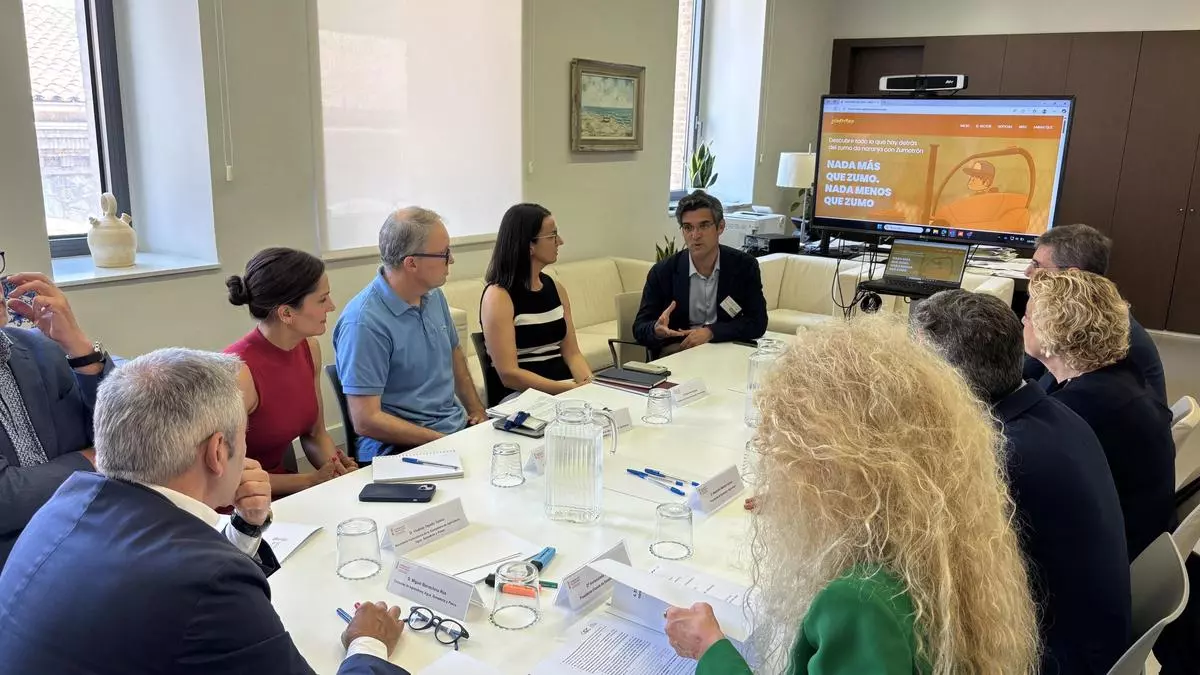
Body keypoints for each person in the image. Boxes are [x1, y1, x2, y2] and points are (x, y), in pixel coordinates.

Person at [664, 317, 1038, 674]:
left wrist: (709, 649)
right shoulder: (944, 544)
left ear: (831, 465)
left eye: (786, 454)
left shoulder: (859, 602)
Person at [0, 348, 409, 674]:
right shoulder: (210, 582)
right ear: (217, 452)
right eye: (243, 439)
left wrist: (245, 527)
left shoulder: (62, 507)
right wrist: (367, 644)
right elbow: (192, 584)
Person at [912, 289, 1131, 674]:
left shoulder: (1002, 457)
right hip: (1091, 639)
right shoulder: (1053, 414)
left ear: (950, 381)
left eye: (917, 368)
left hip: (1053, 659)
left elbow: (931, 566)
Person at [1025, 269, 1175, 560]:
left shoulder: (1078, 411)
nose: (1022, 322)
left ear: (1053, 333)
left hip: (1108, 557)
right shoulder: (1121, 378)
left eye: (1028, 317)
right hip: (1134, 538)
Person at [334, 207, 487, 460]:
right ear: (411, 263)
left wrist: (477, 410)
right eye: (444, 253)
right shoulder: (363, 324)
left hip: (450, 430)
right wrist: (444, 442)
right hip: (398, 447)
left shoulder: (433, 295)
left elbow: (454, 355)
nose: (451, 260)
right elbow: (366, 420)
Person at [0, 267, 113, 568]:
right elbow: (5, 499)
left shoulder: (41, 346)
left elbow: (131, 435)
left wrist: (80, 348)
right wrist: (93, 460)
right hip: (16, 566)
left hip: (99, 537)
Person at [225, 247, 357, 496]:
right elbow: (226, 476)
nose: (331, 306)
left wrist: (337, 469)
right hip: (239, 502)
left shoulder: (309, 348)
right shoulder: (238, 374)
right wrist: (310, 481)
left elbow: (315, 434)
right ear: (286, 313)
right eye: (322, 300)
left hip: (284, 490)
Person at [1022, 223, 1166, 404]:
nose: (1027, 272)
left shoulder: (1094, 330)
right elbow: (1032, 370)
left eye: (1037, 265)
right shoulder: (1091, 313)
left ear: (1072, 275)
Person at [479, 203, 592, 405]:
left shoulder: (556, 288)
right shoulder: (498, 296)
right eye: (552, 236)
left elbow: (572, 353)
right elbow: (509, 374)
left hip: (563, 389)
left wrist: (588, 384)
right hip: (520, 396)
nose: (560, 242)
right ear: (529, 245)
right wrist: (568, 390)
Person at [633, 190, 767, 356]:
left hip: (726, 347)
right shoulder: (663, 272)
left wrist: (711, 332)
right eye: (688, 227)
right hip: (680, 352)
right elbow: (640, 328)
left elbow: (758, 322)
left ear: (720, 227)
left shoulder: (744, 266)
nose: (695, 235)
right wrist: (656, 330)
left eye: (704, 226)